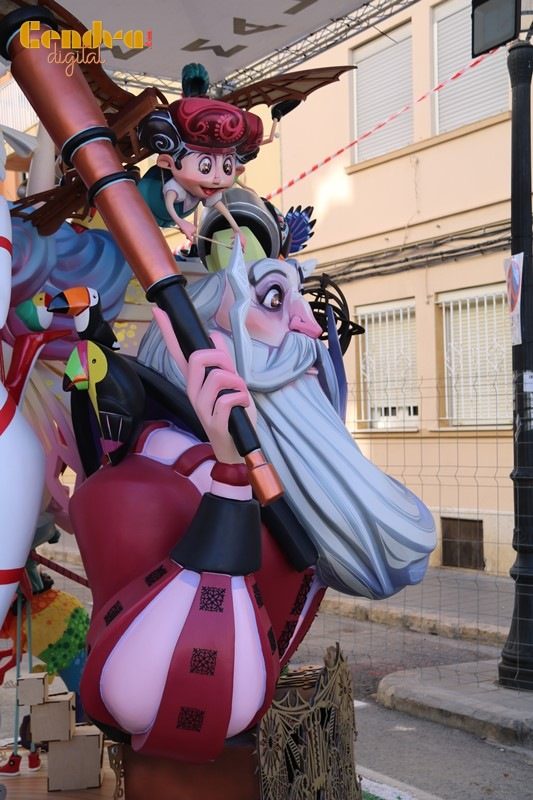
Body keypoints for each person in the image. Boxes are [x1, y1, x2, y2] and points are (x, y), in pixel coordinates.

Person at [66, 242, 435, 764]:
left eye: (302, 303)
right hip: (178, 764)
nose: (310, 329)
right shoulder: (145, 486)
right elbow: (142, 698)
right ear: (196, 348)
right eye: (274, 300)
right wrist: (229, 474)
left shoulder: (288, 493)